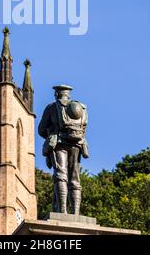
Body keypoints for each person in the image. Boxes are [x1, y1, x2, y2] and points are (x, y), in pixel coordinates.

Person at [38, 85, 88, 215]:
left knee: (61, 175)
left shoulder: (52, 107)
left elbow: (41, 130)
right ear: (68, 95)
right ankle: (76, 213)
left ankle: (63, 211)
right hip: (77, 144)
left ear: (56, 94)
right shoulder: (81, 108)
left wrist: (50, 134)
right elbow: (84, 128)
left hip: (59, 143)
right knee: (75, 178)